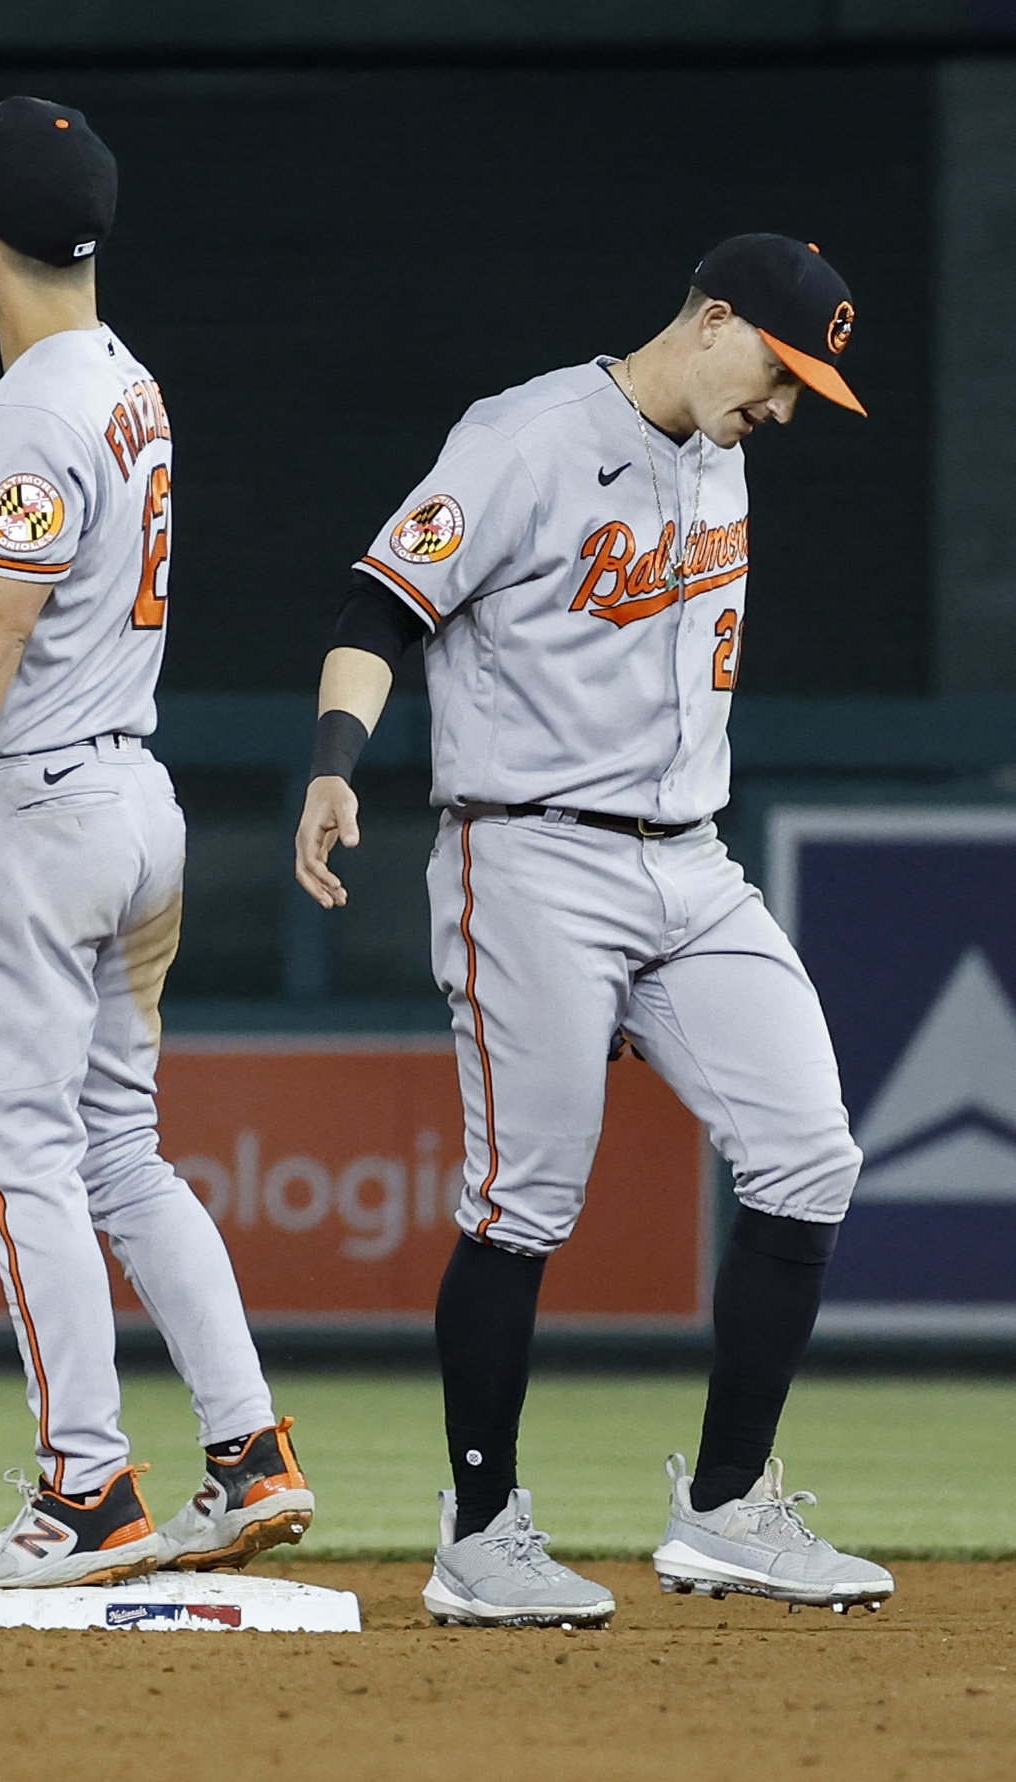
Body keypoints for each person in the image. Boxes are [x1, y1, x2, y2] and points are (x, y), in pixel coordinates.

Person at [294, 234, 895, 1626]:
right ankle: (483, 1530)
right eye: (781, 370)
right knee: (525, 1200)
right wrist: (334, 762)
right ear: (714, 320)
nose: (788, 407)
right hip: (530, 858)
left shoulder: (720, 447)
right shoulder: (527, 437)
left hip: (691, 863)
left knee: (811, 1152)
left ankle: (729, 1506)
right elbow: (379, 603)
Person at [0, 99, 309, 1607]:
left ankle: (81, 1490)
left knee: (19, 1160)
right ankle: (250, 1454)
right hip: (126, 805)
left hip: (27, 817)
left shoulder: (34, 407)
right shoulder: (115, 381)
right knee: (116, 1148)